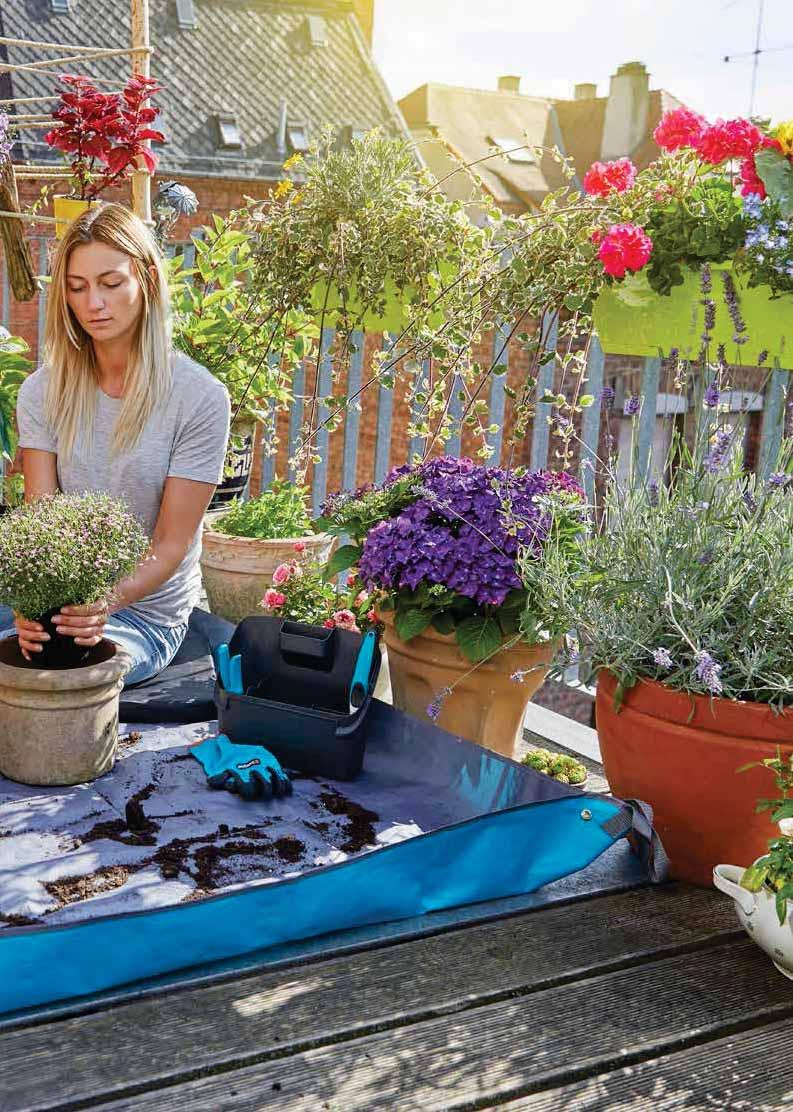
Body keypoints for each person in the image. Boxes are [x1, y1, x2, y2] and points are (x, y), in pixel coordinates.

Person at [0, 203, 230, 686]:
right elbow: (43, 525)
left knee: (59, 679)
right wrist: (33, 607)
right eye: (77, 287)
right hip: (57, 604)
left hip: (143, 615)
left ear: (145, 279)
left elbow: (170, 545)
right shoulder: (42, 392)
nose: (92, 304)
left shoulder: (199, 398)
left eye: (110, 283)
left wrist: (98, 604)